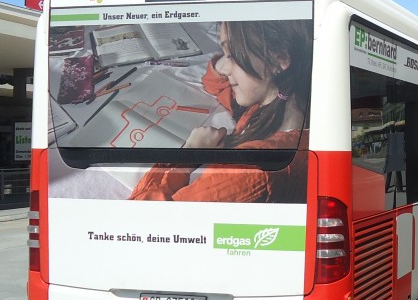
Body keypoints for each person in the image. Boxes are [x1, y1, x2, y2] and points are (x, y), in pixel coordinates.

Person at [130, 19, 312, 203]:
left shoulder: (247, 170)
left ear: (279, 60)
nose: (223, 67)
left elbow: (140, 217)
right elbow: (215, 83)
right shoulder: (284, 100)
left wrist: (188, 154)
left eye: (232, 55)